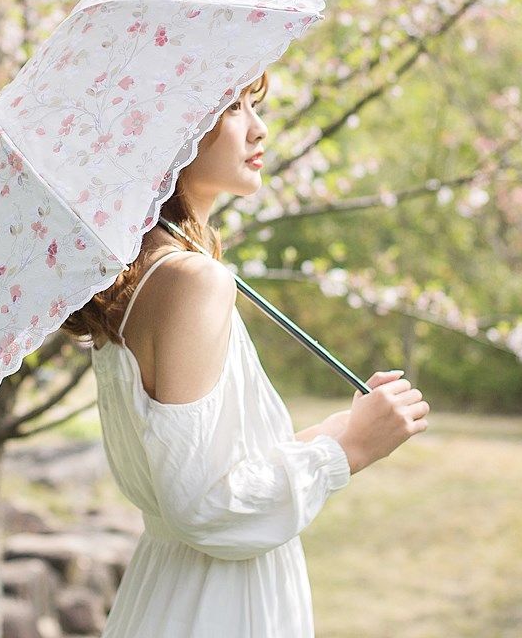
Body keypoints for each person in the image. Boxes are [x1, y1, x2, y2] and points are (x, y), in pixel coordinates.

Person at [62, 69, 431, 637]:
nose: (259, 130)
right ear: (169, 131)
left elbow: (208, 471)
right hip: (217, 607)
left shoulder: (140, 278)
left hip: (175, 591)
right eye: (231, 108)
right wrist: (348, 450)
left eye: (252, 106)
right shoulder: (191, 282)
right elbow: (202, 508)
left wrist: (343, 425)